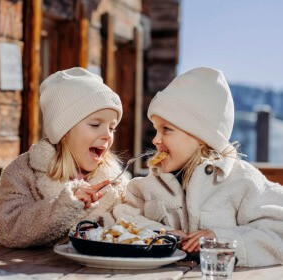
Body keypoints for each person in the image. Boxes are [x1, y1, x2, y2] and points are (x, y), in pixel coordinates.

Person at [113, 67, 283, 267]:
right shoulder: (148, 186)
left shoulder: (243, 181)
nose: (156, 140)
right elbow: (122, 219)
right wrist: (161, 234)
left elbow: (276, 231)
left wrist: (223, 240)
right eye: (156, 130)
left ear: (202, 137)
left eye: (166, 130)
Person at [0, 67, 127, 248]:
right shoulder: (24, 172)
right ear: (64, 131)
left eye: (112, 128)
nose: (107, 135)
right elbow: (9, 228)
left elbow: (135, 222)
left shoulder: (116, 181)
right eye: (95, 124)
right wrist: (66, 205)